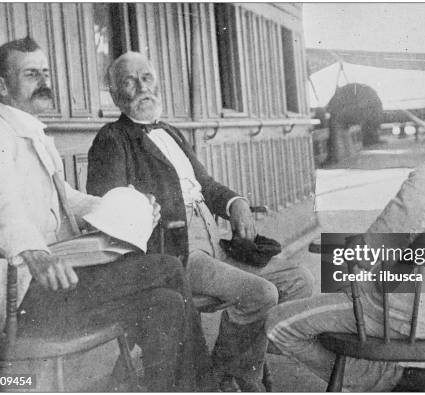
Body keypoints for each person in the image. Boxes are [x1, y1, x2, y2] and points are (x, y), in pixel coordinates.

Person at [265, 37, 425, 391]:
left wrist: (365, 249)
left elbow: (419, 194)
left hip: (415, 312)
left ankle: (390, 380)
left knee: (277, 324)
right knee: (340, 286)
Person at [0, 37, 212, 391]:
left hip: (60, 283)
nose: (44, 82)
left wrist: (132, 206)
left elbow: (68, 199)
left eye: (45, 73)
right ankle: (203, 387)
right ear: (1, 85)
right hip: (28, 293)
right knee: (167, 267)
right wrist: (34, 253)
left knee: (167, 303)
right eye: (31, 74)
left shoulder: (30, 132)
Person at [86, 51, 314, 391]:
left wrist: (237, 203)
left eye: (146, 78)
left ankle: (234, 364)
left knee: (298, 279)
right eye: (130, 82)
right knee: (261, 294)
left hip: (214, 237)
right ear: (117, 95)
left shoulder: (171, 131)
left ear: (158, 83)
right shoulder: (112, 139)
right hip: (176, 251)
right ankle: (226, 377)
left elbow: (206, 186)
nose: (142, 88)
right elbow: (109, 207)